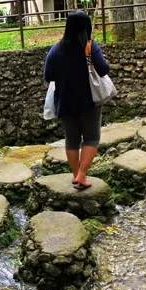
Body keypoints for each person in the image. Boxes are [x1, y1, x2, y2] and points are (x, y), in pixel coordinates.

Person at [44, 10, 109, 190]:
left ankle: (76, 176)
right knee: (91, 138)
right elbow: (103, 70)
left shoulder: (56, 49)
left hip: (65, 100)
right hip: (89, 100)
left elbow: (48, 75)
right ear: (86, 27)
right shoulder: (90, 46)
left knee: (71, 140)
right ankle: (81, 176)